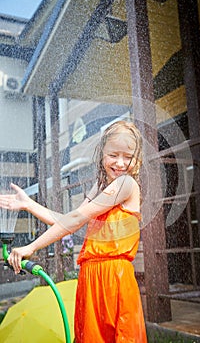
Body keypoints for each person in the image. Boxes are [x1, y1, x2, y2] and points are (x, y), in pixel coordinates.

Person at [0, 120, 148, 343]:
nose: (120, 163)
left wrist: (32, 247)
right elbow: (69, 221)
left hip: (113, 278)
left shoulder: (126, 184)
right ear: (102, 155)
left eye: (128, 156)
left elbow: (75, 220)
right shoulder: (101, 187)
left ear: (137, 162)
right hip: (91, 277)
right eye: (113, 155)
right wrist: (30, 204)